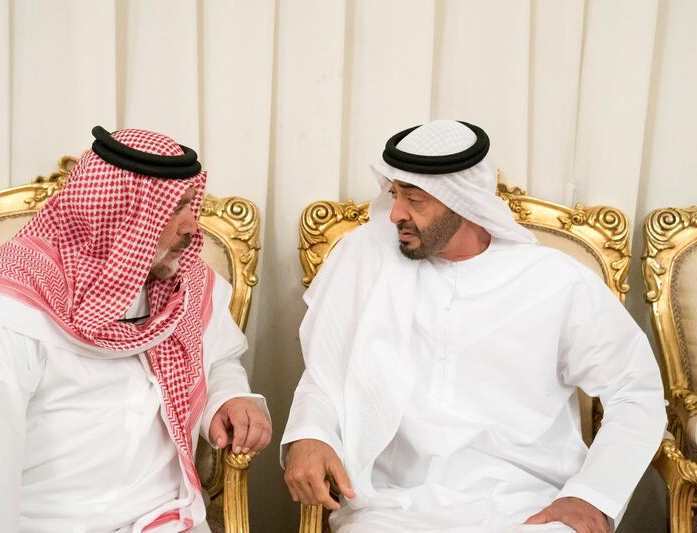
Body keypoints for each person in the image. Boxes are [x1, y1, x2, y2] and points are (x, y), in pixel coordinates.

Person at [282, 120, 666, 533]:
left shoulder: (553, 281)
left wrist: (591, 496)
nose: (395, 214)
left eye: (415, 199)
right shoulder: (367, 261)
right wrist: (310, 434)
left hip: (530, 506)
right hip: (393, 506)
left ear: (462, 201)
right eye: (394, 195)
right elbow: (325, 373)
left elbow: (635, 390)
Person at [0, 126, 271, 533]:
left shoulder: (186, 282)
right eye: (175, 209)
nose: (191, 227)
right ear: (121, 213)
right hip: (25, 515)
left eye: (190, 205)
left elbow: (219, 356)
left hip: (152, 515)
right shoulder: (12, 301)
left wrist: (230, 397)